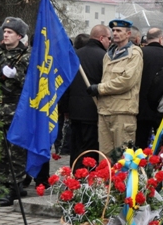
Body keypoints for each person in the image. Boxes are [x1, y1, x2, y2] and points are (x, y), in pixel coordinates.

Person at [0, 17, 31, 206]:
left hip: (16, 109)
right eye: (4, 32)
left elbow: (34, 84)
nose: (5, 35)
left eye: (10, 32)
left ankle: (14, 188)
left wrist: (17, 76)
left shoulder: (27, 55)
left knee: (15, 152)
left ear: (19, 36)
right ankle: (1, 187)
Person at [87, 19, 143, 155]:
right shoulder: (108, 54)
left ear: (128, 34)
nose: (115, 33)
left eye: (119, 31)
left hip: (123, 111)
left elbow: (127, 81)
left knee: (122, 156)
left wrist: (100, 89)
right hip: (105, 110)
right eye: (113, 31)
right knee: (105, 156)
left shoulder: (134, 54)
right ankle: (106, 177)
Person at [61, 25, 109, 166]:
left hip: (74, 110)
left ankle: (74, 177)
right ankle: (87, 179)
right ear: (101, 38)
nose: (110, 42)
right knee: (91, 147)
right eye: (108, 38)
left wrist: (65, 109)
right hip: (94, 110)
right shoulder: (104, 58)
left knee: (76, 147)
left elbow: (65, 83)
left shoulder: (75, 55)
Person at [136, 27, 163, 149]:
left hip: (139, 106)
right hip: (161, 106)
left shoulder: (139, 53)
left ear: (147, 39)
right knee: (161, 144)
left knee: (139, 143)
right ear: (161, 39)